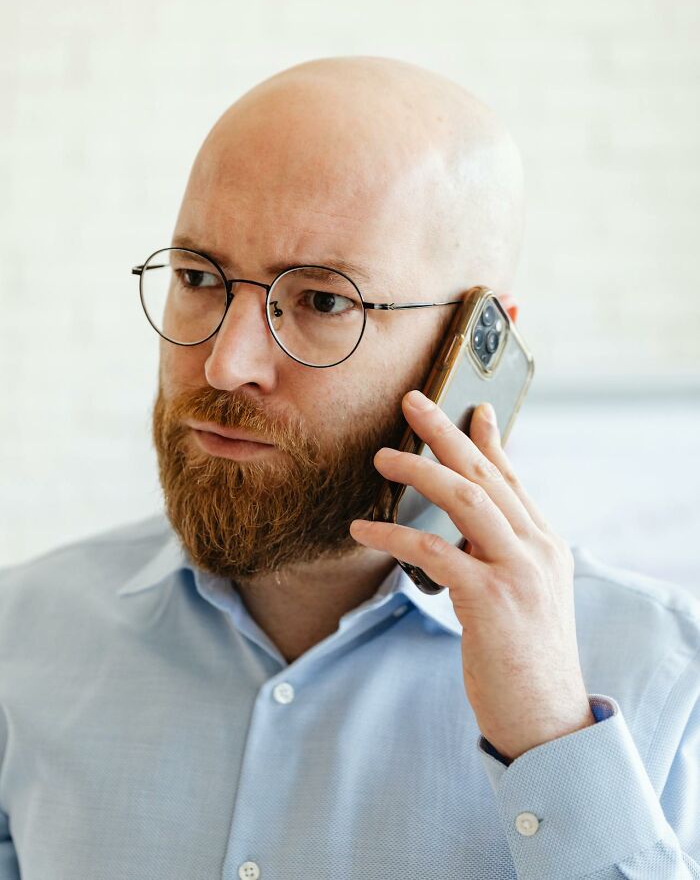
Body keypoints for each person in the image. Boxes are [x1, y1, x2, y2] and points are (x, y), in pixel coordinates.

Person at [0, 56, 698, 879]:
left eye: (323, 301)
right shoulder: (22, 641)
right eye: (197, 278)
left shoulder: (664, 678)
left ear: (478, 343)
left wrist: (551, 742)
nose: (227, 365)